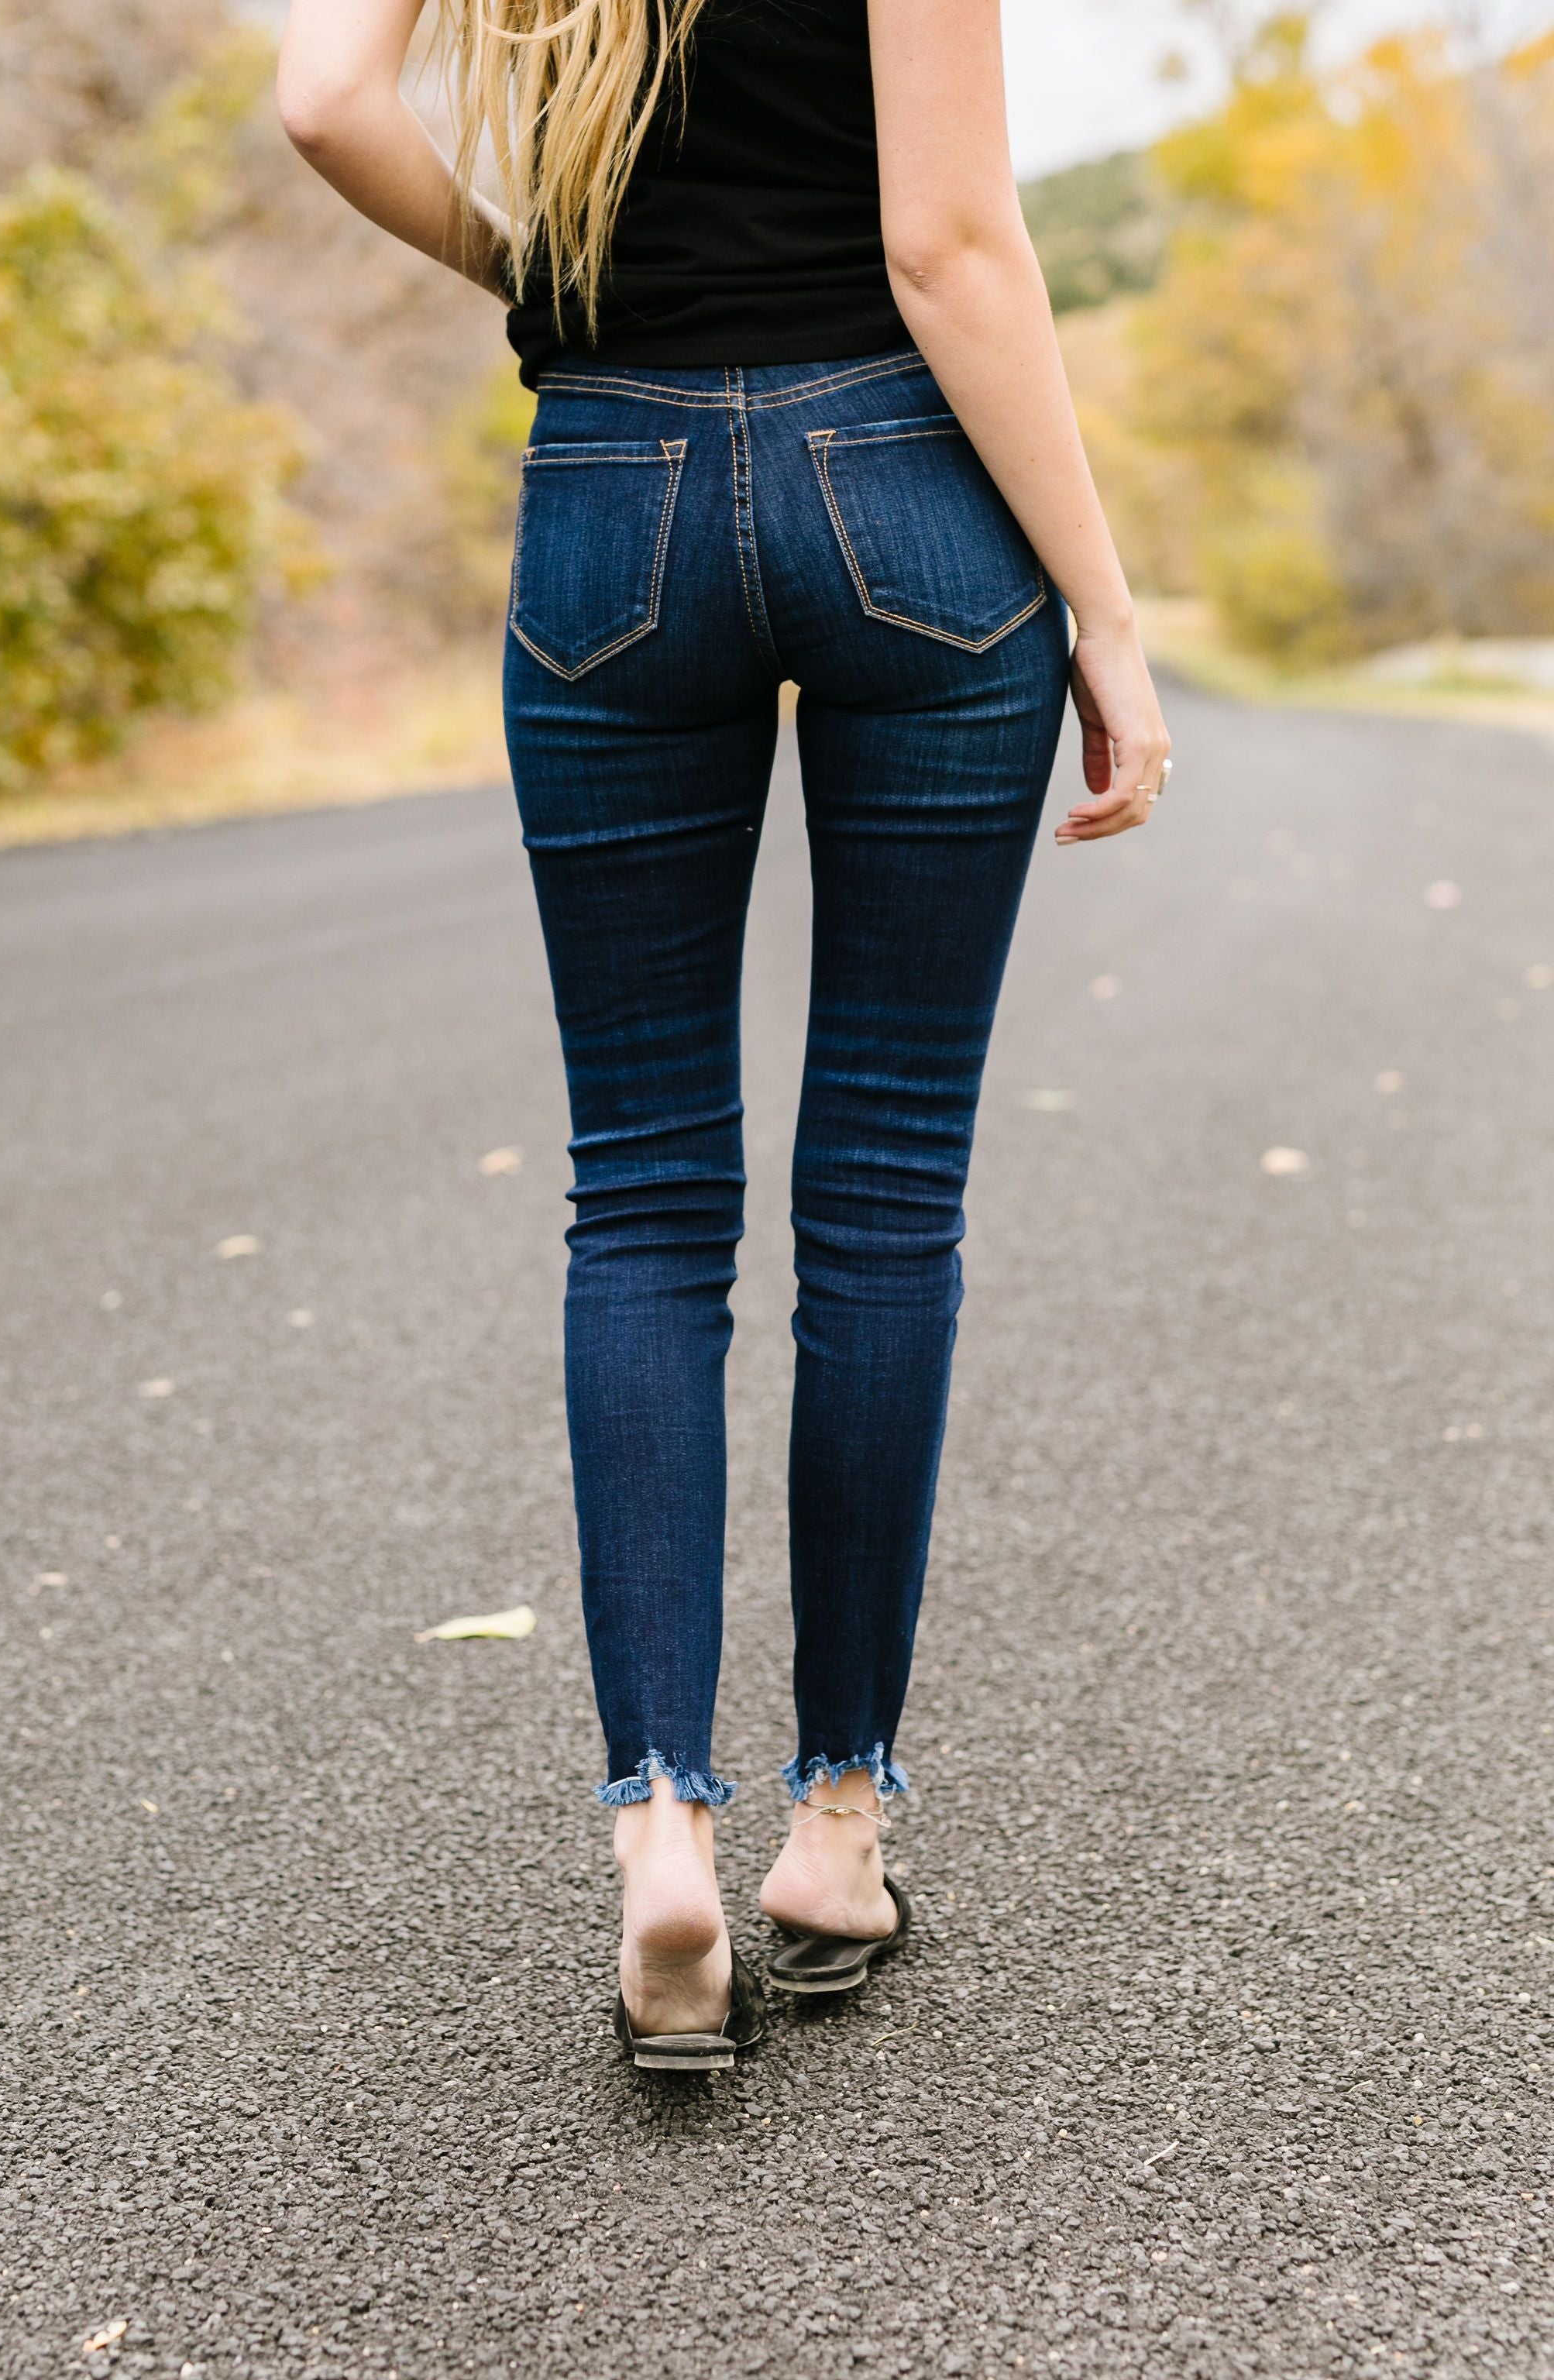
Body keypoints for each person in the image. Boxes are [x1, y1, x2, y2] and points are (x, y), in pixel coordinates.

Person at [278, 0, 1171, 2072]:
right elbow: (950, 247)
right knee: (881, 1188)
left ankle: (660, 1825)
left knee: (648, 1198)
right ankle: (835, 1825)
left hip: (612, 486)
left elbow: (323, 102)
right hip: (906, 491)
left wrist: (562, 272)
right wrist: (1107, 615)